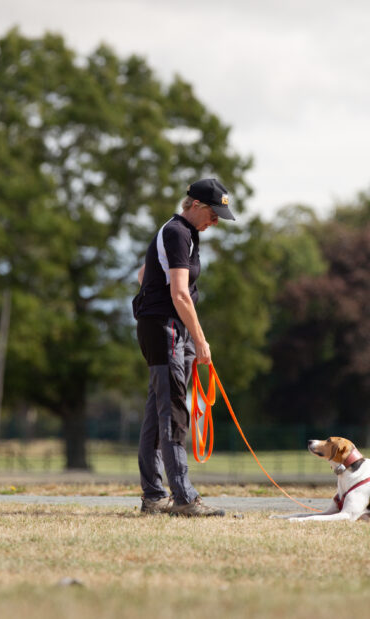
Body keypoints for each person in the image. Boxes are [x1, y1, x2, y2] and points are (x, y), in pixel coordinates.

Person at [133, 178, 236, 517]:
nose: (216, 221)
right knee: (174, 408)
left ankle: (153, 496)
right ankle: (184, 498)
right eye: (213, 213)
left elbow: (144, 274)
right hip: (167, 329)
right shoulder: (178, 232)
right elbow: (178, 293)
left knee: (158, 408)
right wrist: (201, 339)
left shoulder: (182, 234)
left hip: (165, 327)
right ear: (193, 205)